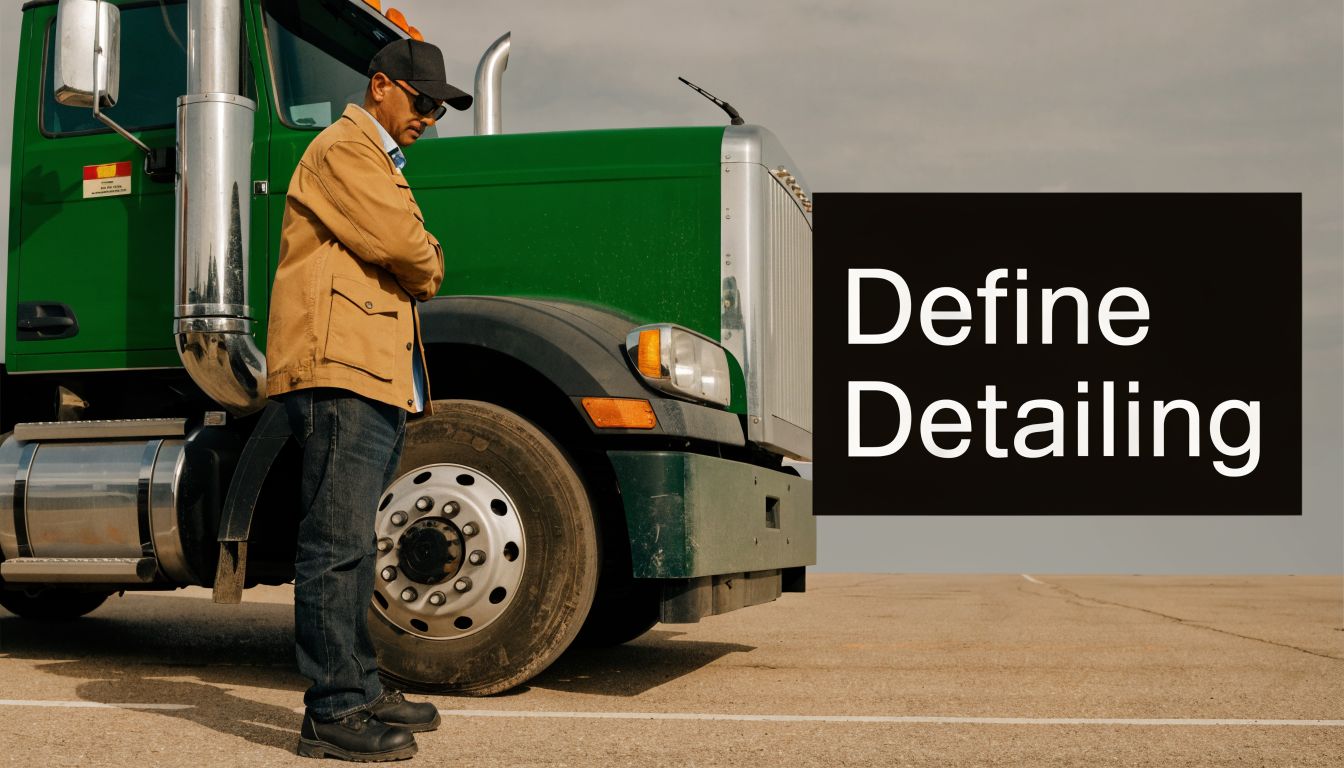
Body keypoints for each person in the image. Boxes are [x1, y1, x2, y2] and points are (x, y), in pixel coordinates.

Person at [265, 38, 473, 762]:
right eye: (423, 103)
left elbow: (408, 252)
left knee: (354, 541)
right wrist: (427, 254)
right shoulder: (345, 150)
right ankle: (331, 712)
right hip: (337, 370)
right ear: (380, 87)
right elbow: (413, 252)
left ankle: (358, 685)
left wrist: (420, 253)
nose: (430, 118)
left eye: (439, 108)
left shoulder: (377, 160)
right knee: (335, 545)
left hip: (371, 373)